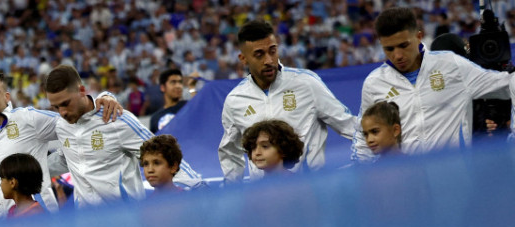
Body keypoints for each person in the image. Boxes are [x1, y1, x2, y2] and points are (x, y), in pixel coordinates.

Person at [0, 69, 120, 221]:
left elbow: (77, 117)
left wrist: (105, 97)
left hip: (38, 219)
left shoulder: (28, 119)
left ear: (6, 97)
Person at [218, 20, 363, 181]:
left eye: (272, 51)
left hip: (311, 190)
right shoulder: (235, 100)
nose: (269, 60)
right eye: (259, 54)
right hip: (265, 196)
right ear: (243, 59)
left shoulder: (306, 83)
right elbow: (230, 152)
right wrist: (233, 190)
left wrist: (366, 160)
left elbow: (350, 126)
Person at [359, 7, 515, 156]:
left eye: (403, 45)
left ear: (419, 37)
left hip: (454, 176)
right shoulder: (374, 84)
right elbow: (362, 136)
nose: (397, 55)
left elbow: (506, 84)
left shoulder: (451, 65)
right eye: (389, 49)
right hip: (406, 179)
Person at [44, 65, 202, 205]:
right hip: (86, 226)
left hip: (126, 220)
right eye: (56, 107)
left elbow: (162, 154)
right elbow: (65, 158)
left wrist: (198, 188)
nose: (62, 112)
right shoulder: (62, 126)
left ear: (82, 91)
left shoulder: (116, 119)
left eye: (65, 104)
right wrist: (26, 171)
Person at [0, 153, 44, 217]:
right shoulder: (12, 210)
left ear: (12, 183)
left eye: (2, 179)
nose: (0, 184)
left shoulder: (36, 215)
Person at [149, 69, 187, 133]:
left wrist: (192, 89)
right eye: (173, 82)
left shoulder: (187, 106)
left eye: (180, 82)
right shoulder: (155, 118)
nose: (178, 86)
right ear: (162, 88)